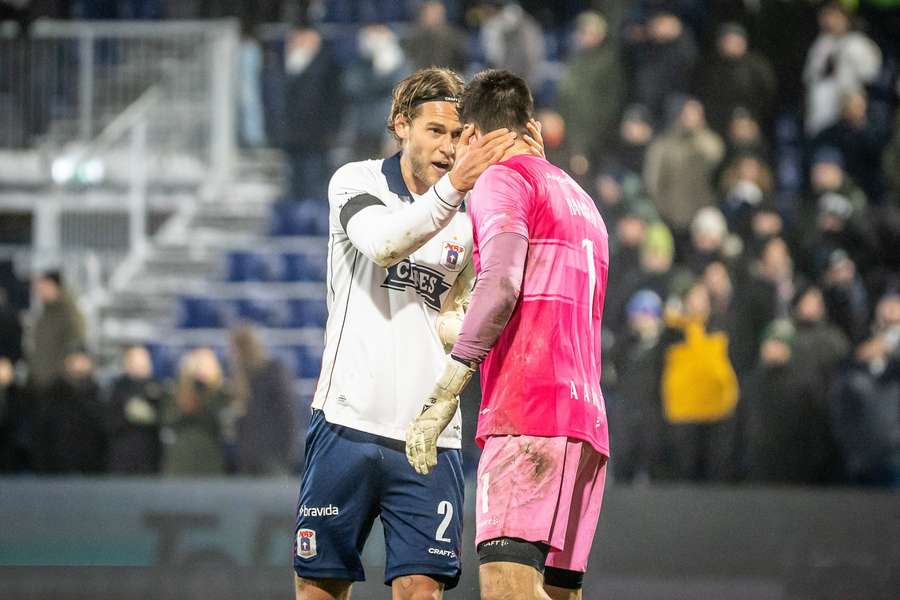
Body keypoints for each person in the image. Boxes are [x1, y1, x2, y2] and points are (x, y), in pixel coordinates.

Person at [292, 67, 537, 600]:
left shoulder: (475, 216)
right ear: (401, 125)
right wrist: (454, 189)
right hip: (345, 423)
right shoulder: (355, 182)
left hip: (428, 438)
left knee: (421, 592)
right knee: (318, 590)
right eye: (435, 131)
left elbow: (479, 310)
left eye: (457, 135)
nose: (449, 147)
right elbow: (383, 243)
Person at [405, 69, 609, 600]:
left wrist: (448, 388)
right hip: (585, 421)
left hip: (529, 411)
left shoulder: (504, 180)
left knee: (506, 589)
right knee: (558, 593)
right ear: (531, 125)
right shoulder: (580, 199)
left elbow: (500, 284)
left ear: (472, 135)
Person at [106, 345, 165, 474]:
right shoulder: (117, 388)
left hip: (150, 458)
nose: (141, 364)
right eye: (136, 360)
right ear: (127, 363)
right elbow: (110, 422)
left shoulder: (158, 388)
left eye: (144, 360)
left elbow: (162, 419)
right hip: (123, 459)